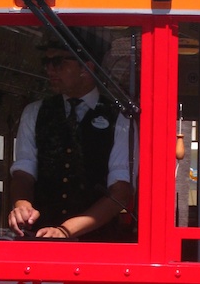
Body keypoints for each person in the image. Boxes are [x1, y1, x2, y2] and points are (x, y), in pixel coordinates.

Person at [9, 29, 136, 241]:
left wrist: (66, 230)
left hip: (97, 247)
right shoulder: (35, 112)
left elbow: (121, 192)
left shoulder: (120, 117)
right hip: (41, 241)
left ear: (87, 68)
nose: (50, 69)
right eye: (46, 62)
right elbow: (23, 170)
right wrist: (22, 205)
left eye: (58, 62)